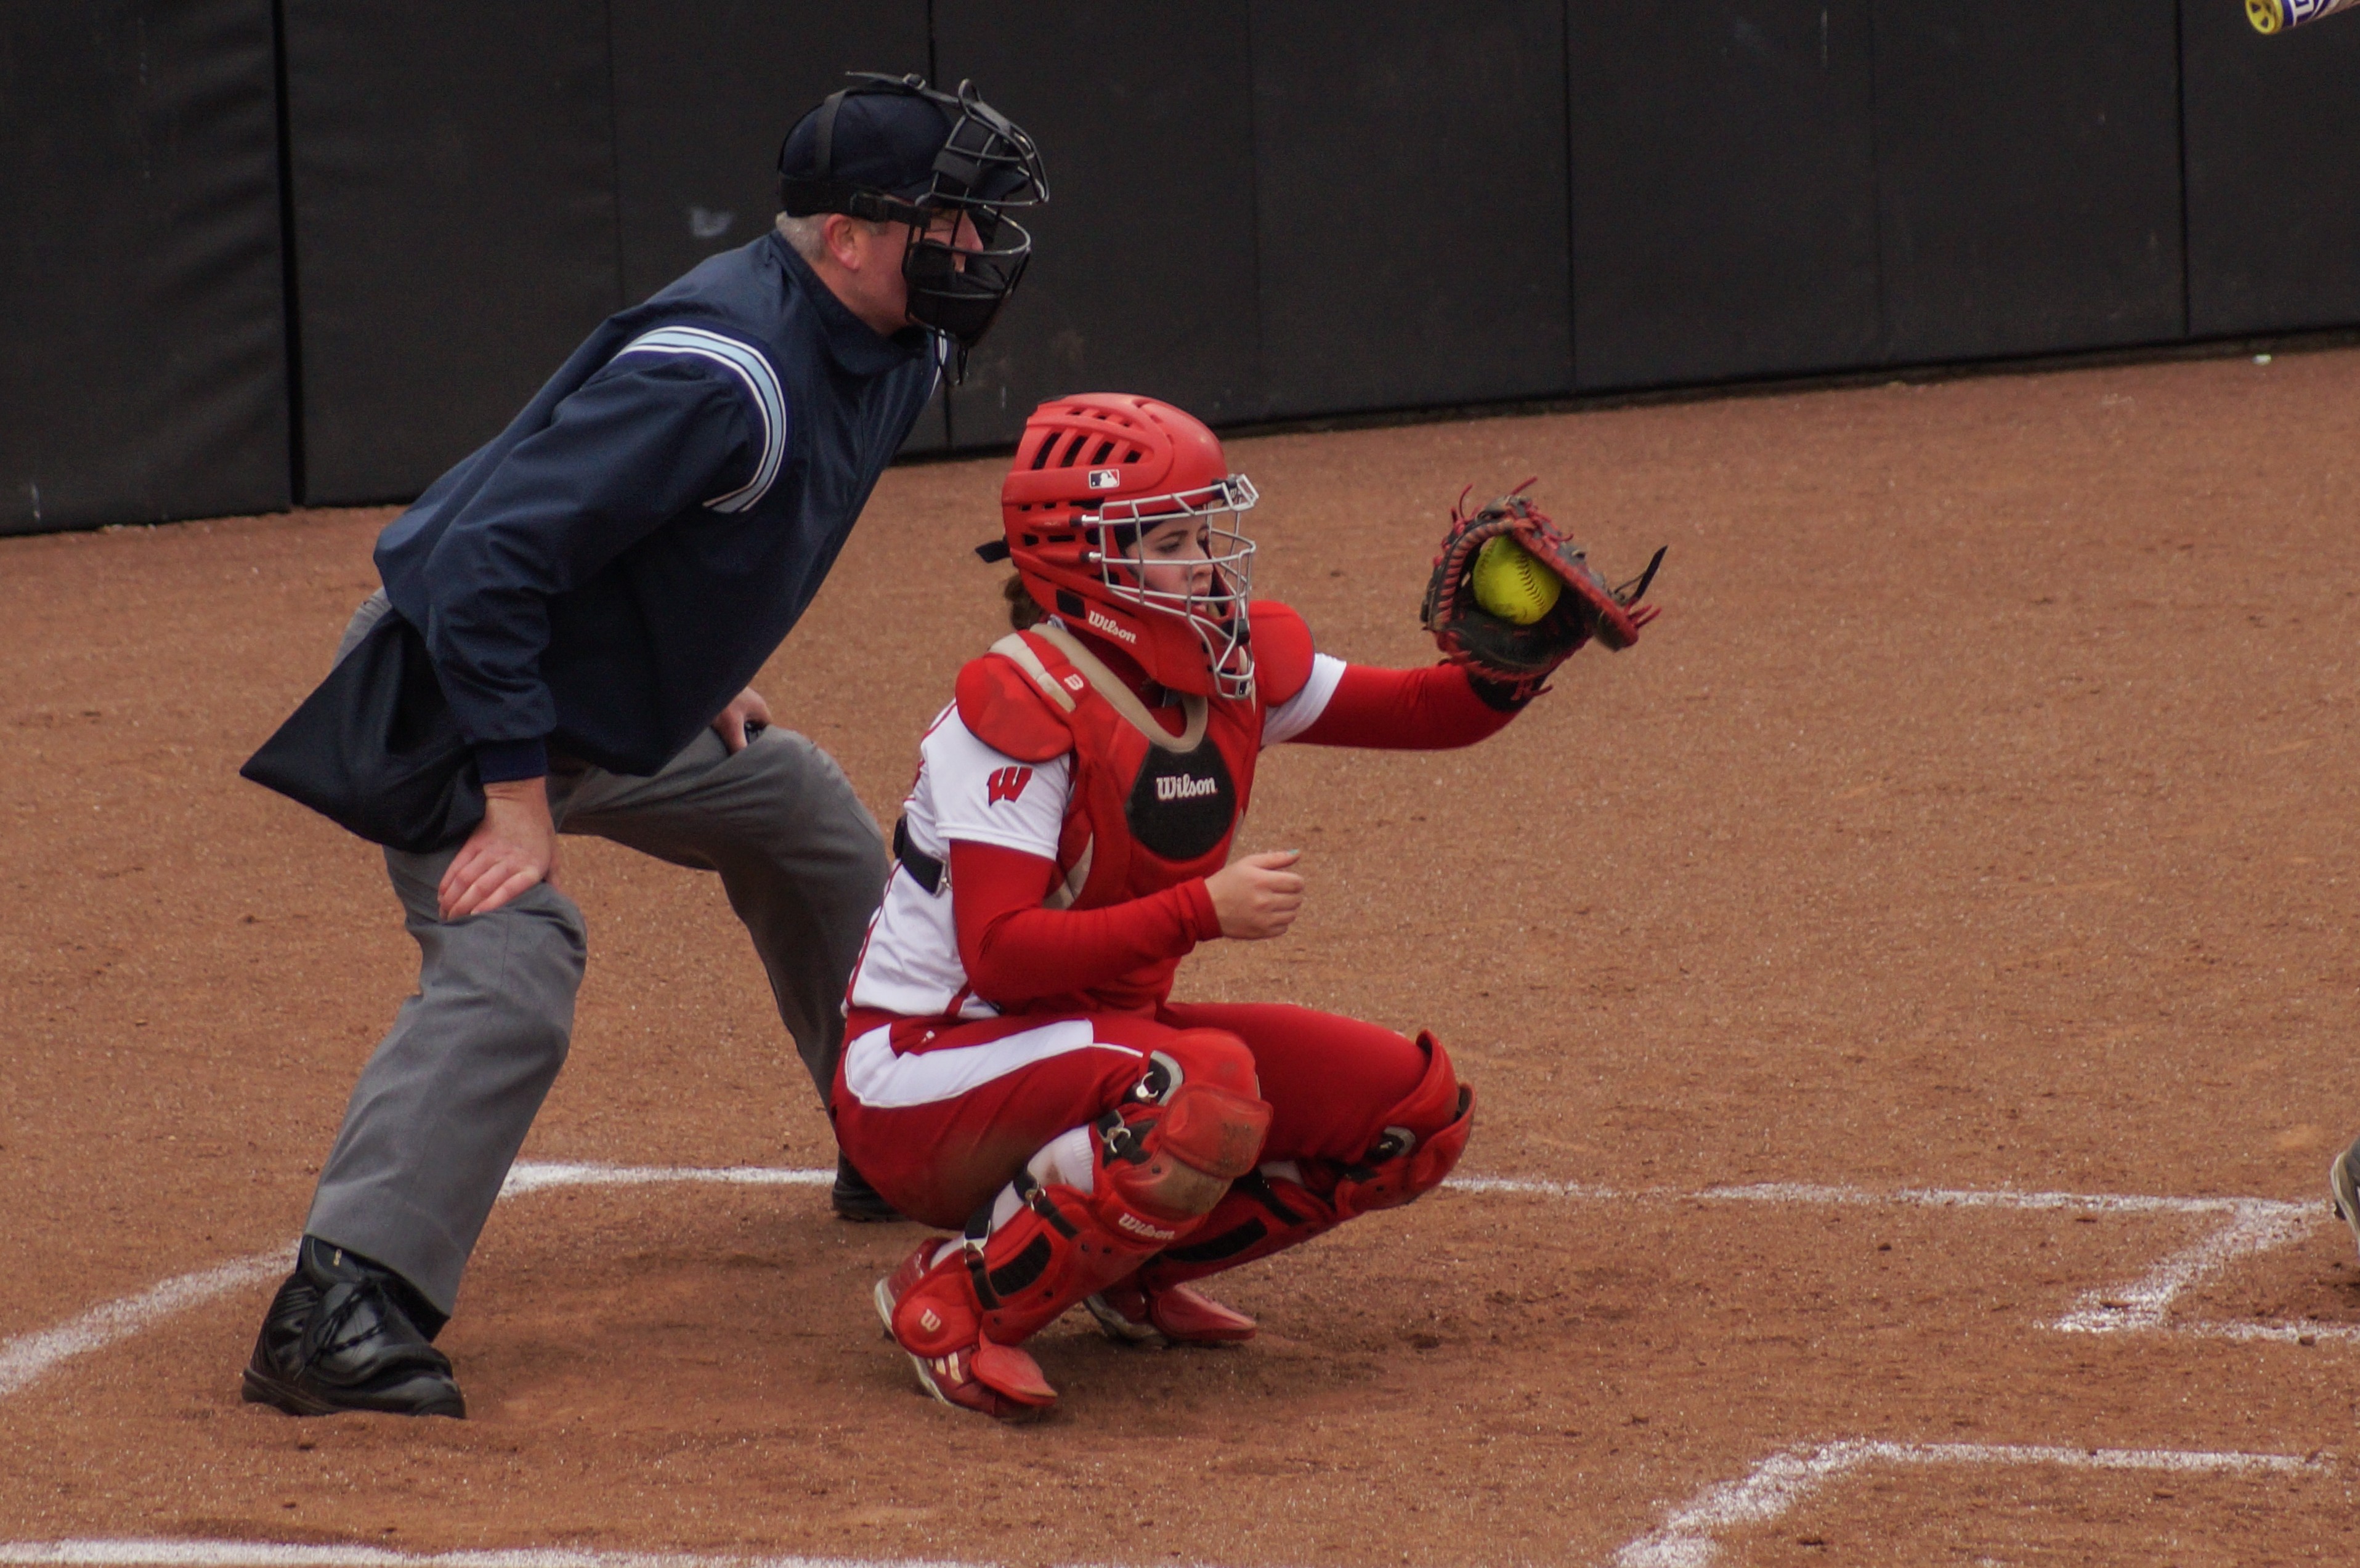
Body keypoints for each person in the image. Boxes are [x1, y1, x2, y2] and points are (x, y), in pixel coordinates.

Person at [240, 75, 1045, 1420]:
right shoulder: (723, 373)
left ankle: (891, 1123)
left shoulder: (897, 339)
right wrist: (512, 800)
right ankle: (337, 1303)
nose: (974, 251)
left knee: (792, 802)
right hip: (455, 694)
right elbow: (487, 565)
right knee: (518, 959)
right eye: (945, 223)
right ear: (845, 234)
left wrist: (705, 661)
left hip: (596, 694)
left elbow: (722, 537)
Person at [833, 393, 1647, 1420]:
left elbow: (1419, 711)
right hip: (926, 1070)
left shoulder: (1223, 662)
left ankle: (1121, 1266)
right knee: (1200, 1086)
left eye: (1207, 528)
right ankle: (955, 1297)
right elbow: (998, 957)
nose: (1211, 563)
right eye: (1172, 539)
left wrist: (1513, 664)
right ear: (1088, 562)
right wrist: (1201, 912)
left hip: (1094, 1043)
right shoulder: (1022, 702)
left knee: (1412, 1117)